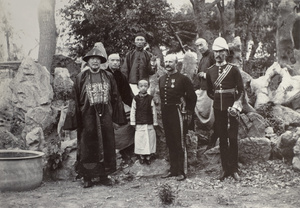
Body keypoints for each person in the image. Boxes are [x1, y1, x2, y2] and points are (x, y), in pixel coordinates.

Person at [63, 46, 126, 188]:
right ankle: (87, 177)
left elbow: (115, 96)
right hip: (88, 116)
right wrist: (75, 119)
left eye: (97, 59)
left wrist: (117, 117)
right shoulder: (81, 77)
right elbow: (74, 99)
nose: (95, 62)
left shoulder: (108, 76)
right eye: (92, 59)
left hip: (105, 116)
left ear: (101, 62)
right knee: (88, 145)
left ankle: (105, 175)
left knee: (107, 143)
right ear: (88, 62)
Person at [206, 37, 244, 181]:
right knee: (222, 138)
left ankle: (234, 169)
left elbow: (241, 90)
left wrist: (236, 106)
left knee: (233, 138)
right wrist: (217, 102)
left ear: (226, 52)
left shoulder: (233, 70)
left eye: (221, 51)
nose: (218, 54)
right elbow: (210, 91)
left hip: (232, 109)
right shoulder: (210, 71)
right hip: (218, 108)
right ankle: (225, 169)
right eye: (216, 52)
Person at [159, 54, 197, 181]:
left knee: (179, 141)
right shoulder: (162, 78)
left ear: (176, 63)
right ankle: (173, 170)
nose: (168, 64)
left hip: (178, 112)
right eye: (166, 62)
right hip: (166, 112)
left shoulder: (183, 79)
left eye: (171, 62)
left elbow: (192, 96)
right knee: (169, 141)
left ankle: (182, 171)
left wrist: (189, 112)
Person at [106, 53, 135, 167]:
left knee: (128, 124)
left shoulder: (121, 76)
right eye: (113, 60)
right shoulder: (103, 75)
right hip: (106, 107)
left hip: (118, 107)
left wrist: (135, 105)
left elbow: (127, 94)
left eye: (118, 61)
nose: (115, 63)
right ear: (108, 62)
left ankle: (125, 151)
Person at [194, 38, 218, 149]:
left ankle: (213, 139)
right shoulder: (202, 58)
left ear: (207, 44)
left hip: (211, 90)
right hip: (203, 89)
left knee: (212, 115)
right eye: (197, 46)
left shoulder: (212, 55)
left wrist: (205, 75)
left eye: (201, 45)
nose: (200, 48)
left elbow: (218, 70)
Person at [130, 79, 158, 165]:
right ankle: (141, 156)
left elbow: (154, 111)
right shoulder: (136, 99)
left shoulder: (150, 98)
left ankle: (148, 156)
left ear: (148, 87)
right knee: (140, 139)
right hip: (139, 123)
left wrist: (155, 122)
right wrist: (133, 122)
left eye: (145, 86)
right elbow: (133, 111)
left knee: (149, 138)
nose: (143, 88)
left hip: (149, 122)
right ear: (138, 87)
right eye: (141, 86)